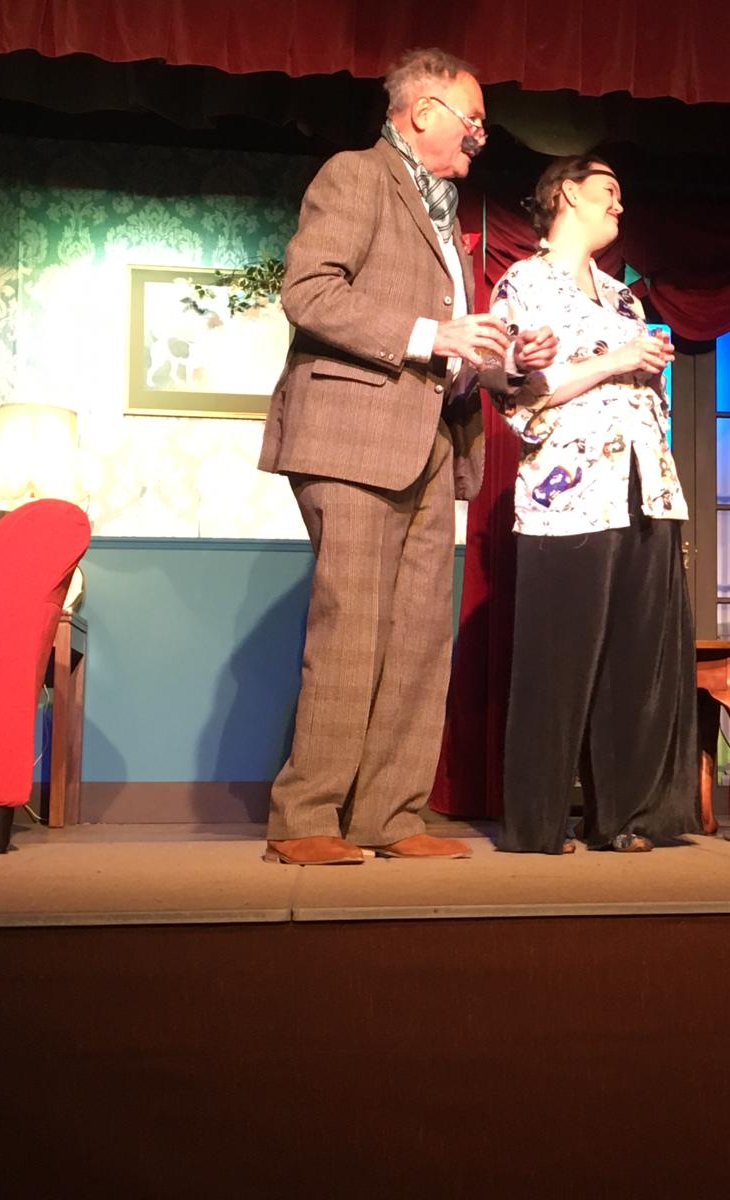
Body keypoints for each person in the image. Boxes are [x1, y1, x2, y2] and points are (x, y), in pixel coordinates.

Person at [258, 47, 556, 865]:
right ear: (423, 112)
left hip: (433, 440)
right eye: (473, 121)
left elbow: (452, 343)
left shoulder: (443, 212)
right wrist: (432, 334)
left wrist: (506, 360)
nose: (481, 138)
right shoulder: (356, 176)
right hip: (354, 437)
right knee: (352, 627)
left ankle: (388, 814)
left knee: (421, 638)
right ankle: (305, 817)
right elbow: (309, 291)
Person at [489, 155, 698, 854]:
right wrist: (615, 361)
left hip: (644, 488)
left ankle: (624, 816)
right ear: (568, 193)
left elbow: (640, 393)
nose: (619, 204)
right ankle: (538, 823)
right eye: (609, 190)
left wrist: (647, 367)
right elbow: (523, 394)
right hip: (568, 496)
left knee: (635, 661)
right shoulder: (524, 282)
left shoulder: (623, 297)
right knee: (559, 662)